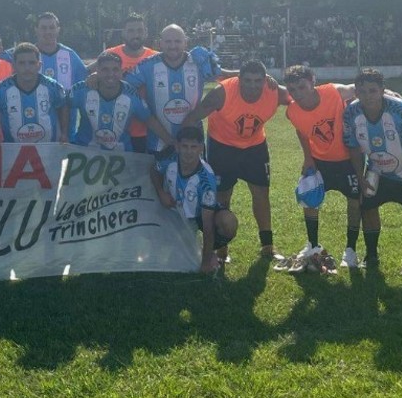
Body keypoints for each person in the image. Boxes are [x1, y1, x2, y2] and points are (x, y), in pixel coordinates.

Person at [183, 60, 291, 259]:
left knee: (261, 193)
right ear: (239, 79)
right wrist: (181, 145)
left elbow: (301, 98)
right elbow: (194, 116)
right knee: (222, 196)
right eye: (247, 80)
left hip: (255, 146)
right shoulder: (222, 93)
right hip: (222, 146)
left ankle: (267, 246)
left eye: (258, 81)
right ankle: (221, 249)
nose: (253, 86)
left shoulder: (275, 91)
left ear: (265, 81)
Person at [343, 68, 402, 276]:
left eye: (373, 91)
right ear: (356, 92)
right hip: (377, 169)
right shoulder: (351, 113)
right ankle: (371, 256)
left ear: (382, 90)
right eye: (362, 91)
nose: (367, 96)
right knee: (368, 207)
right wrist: (360, 177)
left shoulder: (401, 110)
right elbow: (353, 147)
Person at [282, 65, 362, 272]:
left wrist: (388, 93)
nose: (297, 93)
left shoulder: (333, 92)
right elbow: (301, 131)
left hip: (348, 160)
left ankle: (350, 250)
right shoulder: (292, 111)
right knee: (309, 200)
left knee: (355, 203)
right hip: (320, 161)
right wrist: (308, 157)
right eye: (292, 90)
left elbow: (357, 88)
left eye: (302, 87)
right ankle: (313, 244)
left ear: (313, 82)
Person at [125, 24, 234, 153]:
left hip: (192, 142)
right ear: (160, 43)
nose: (173, 46)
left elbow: (223, 75)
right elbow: (122, 85)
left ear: (185, 42)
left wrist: (242, 73)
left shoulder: (199, 62)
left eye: (177, 41)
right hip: (158, 142)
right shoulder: (147, 65)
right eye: (168, 41)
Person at [151, 126, 239, 274]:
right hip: (176, 211)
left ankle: (208, 253)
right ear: (177, 147)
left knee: (228, 223)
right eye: (185, 146)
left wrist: (204, 264)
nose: (189, 151)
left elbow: (208, 226)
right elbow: (154, 170)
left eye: (193, 147)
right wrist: (161, 192)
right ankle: (192, 246)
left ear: (201, 148)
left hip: (199, 215)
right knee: (176, 258)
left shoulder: (206, 180)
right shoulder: (170, 159)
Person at [70, 51, 176, 152]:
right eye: (105, 69)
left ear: (121, 71)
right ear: (97, 71)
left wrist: (170, 141)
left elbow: (149, 119)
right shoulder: (82, 89)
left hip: (121, 155)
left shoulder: (131, 95)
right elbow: (65, 104)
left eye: (115, 69)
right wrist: (65, 135)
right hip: (84, 151)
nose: (110, 74)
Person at [98, 13, 158, 153]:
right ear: (123, 33)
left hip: (148, 130)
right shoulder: (110, 54)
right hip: (114, 131)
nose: (135, 35)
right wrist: (93, 77)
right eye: (131, 30)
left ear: (146, 32)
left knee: (146, 167)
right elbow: (93, 75)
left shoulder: (156, 58)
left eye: (139, 30)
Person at [0, 42, 69, 143]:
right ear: (14, 66)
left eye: (32, 63)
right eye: (22, 63)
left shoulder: (53, 87)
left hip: (48, 150)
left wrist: (64, 133)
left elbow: (63, 107)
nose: (27, 68)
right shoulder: (1, 90)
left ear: (39, 65)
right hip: (13, 151)